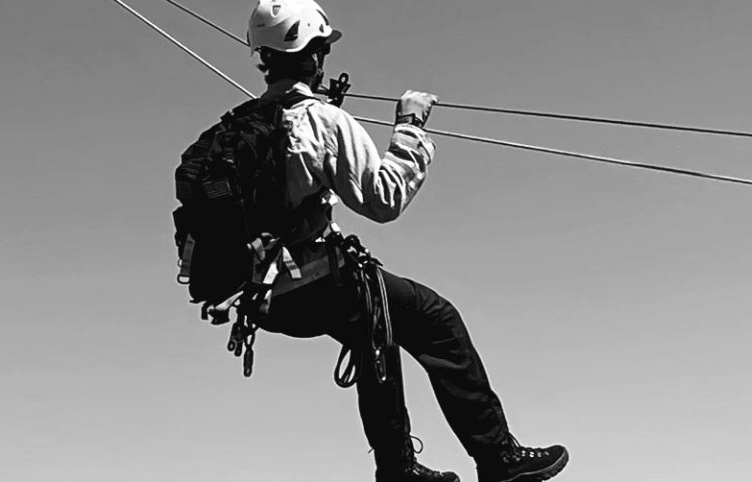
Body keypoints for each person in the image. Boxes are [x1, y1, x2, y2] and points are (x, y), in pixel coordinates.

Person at [206, 1, 570, 481]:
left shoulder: (235, 128)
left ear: (264, 57)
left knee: (375, 329)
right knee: (435, 319)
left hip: (264, 300)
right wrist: (410, 129)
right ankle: (495, 455)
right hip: (317, 280)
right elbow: (384, 199)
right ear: (315, 54)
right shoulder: (321, 122)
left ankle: (398, 469)